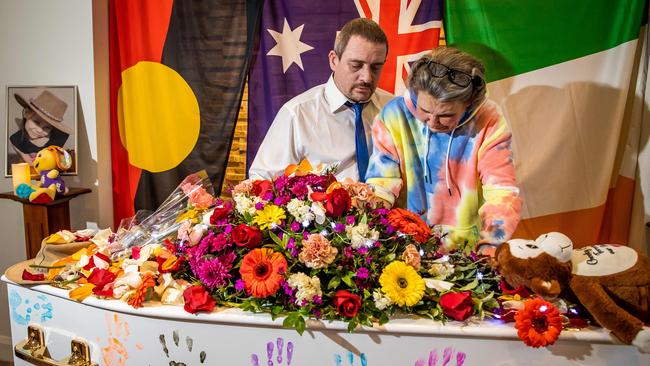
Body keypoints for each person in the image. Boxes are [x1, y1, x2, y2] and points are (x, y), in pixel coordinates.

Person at [366, 47, 522, 255]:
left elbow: (501, 192)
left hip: (467, 252)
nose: (432, 122)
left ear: (469, 102)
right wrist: (369, 226)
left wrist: (491, 245)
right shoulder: (394, 114)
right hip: (404, 246)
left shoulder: (489, 120)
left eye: (445, 115)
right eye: (425, 111)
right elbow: (381, 183)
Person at [249, 18, 393, 182]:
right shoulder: (297, 114)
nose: (367, 77)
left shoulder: (395, 109)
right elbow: (261, 181)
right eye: (356, 65)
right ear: (333, 60)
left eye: (375, 67)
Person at [9, 90, 71, 165]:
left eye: (47, 127)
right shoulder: (16, 140)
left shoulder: (60, 137)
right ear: (26, 113)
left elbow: (64, 162)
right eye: (36, 122)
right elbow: (32, 164)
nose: (39, 130)